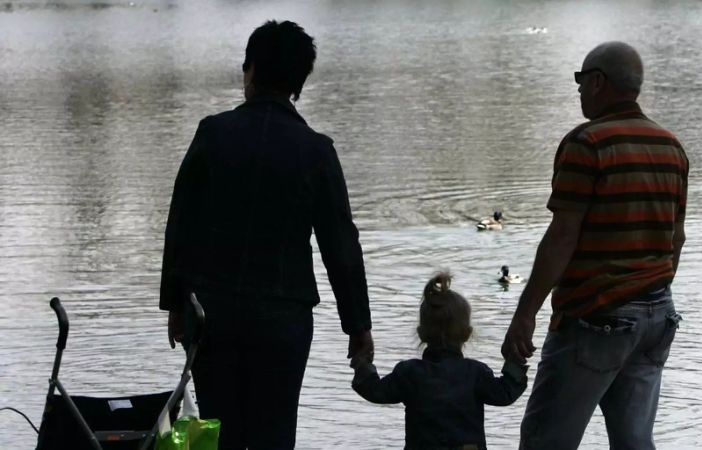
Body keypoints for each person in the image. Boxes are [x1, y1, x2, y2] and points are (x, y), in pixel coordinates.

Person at [159, 20, 374, 449]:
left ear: (251, 70)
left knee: (220, 431)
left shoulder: (214, 133)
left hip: (213, 311)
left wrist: (177, 303)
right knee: (274, 434)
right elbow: (340, 245)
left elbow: (181, 223)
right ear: (300, 82)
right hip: (283, 317)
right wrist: (358, 326)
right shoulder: (316, 150)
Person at [502, 41, 689, 449]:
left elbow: (562, 236)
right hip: (657, 318)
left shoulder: (588, 144)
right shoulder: (670, 147)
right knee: (635, 442)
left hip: (596, 318)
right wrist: (648, 291)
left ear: (598, 82)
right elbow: (676, 239)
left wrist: (525, 313)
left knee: (545, 440)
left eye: (581, 80)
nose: (579, 90)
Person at [352, 273, 527, 450]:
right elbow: (505, 394)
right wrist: (516, 361)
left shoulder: (409, 373)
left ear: (420, 333)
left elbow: (375, 391)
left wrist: (363, 364)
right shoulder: (475, 373)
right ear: (467, 334)